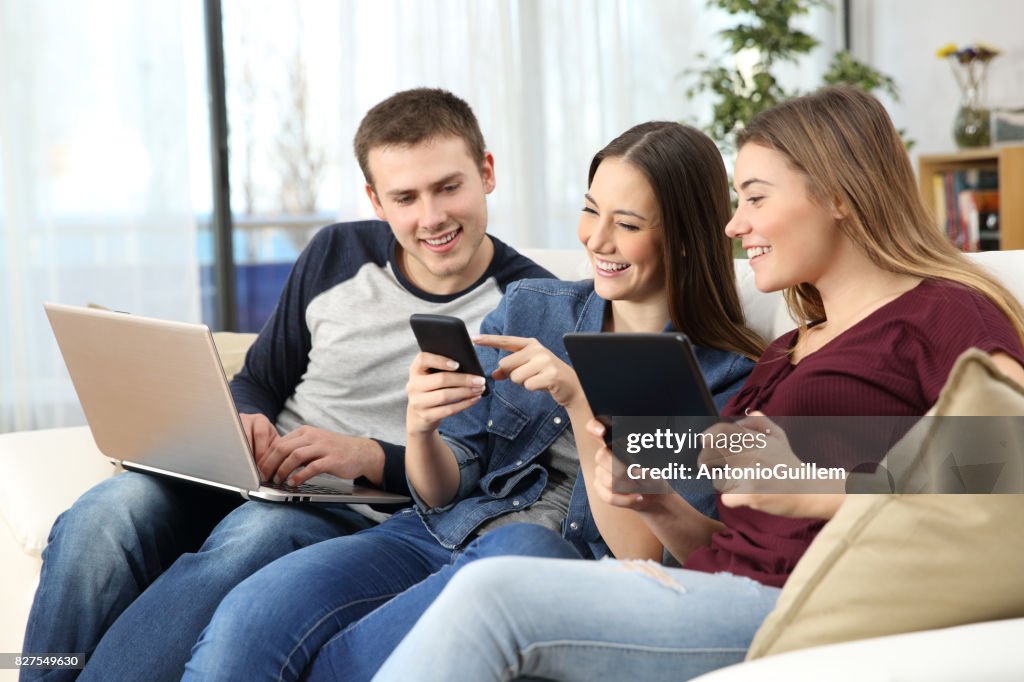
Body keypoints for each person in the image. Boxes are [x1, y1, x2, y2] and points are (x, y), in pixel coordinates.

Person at [371, 85, 1024, 682]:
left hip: (797, 605)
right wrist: (660, 505)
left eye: (755, 198)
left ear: (839, 195)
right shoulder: (788, 351)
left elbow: (1006, 468)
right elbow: (728, 547)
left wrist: (806, 482)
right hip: (716, 586)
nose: (735, 226)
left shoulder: (941, 311)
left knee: (497, 596)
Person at [181, 121, 763, 681]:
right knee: (250, 620)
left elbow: (639, 552)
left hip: (547, 569)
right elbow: (443, 487)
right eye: (590, 210)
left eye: (627, 224)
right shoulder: (535, 306)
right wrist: (421, 430)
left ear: (684, 239)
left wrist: (583, 401)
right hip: (434, 532)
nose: (596, 239)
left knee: (525, 543)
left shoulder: (721, 377)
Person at [20, 88, 551, 682]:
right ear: (376, 200)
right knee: (101, 516)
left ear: (487, 172)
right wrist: (247, 421)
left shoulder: (535, 307)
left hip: (354, 510)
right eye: (405, 197)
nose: (431, 217)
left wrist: (369, 457)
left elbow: (489, 475)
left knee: (254, 538)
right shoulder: (335, 252)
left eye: (448, 187)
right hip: (256, 472)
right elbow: (258, 379)